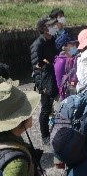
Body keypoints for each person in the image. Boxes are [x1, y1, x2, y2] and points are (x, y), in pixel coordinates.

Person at [30, 16, 59, 145]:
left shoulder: (53, 40)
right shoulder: (37, 44)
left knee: (58, 106)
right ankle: (45, 136)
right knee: (46, 109)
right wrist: (42, 86)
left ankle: (58, 130)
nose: (54, 28)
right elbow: (37, 68)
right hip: (45, 81)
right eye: (51, 26)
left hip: (56, 78)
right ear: (43, 29)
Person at [53, 33, 79, 100]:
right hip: (68, 98)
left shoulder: (71, 59)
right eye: (72, 44)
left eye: (75, 44)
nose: (75, 46)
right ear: (64, 47)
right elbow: (61, 85)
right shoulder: (61, 62)